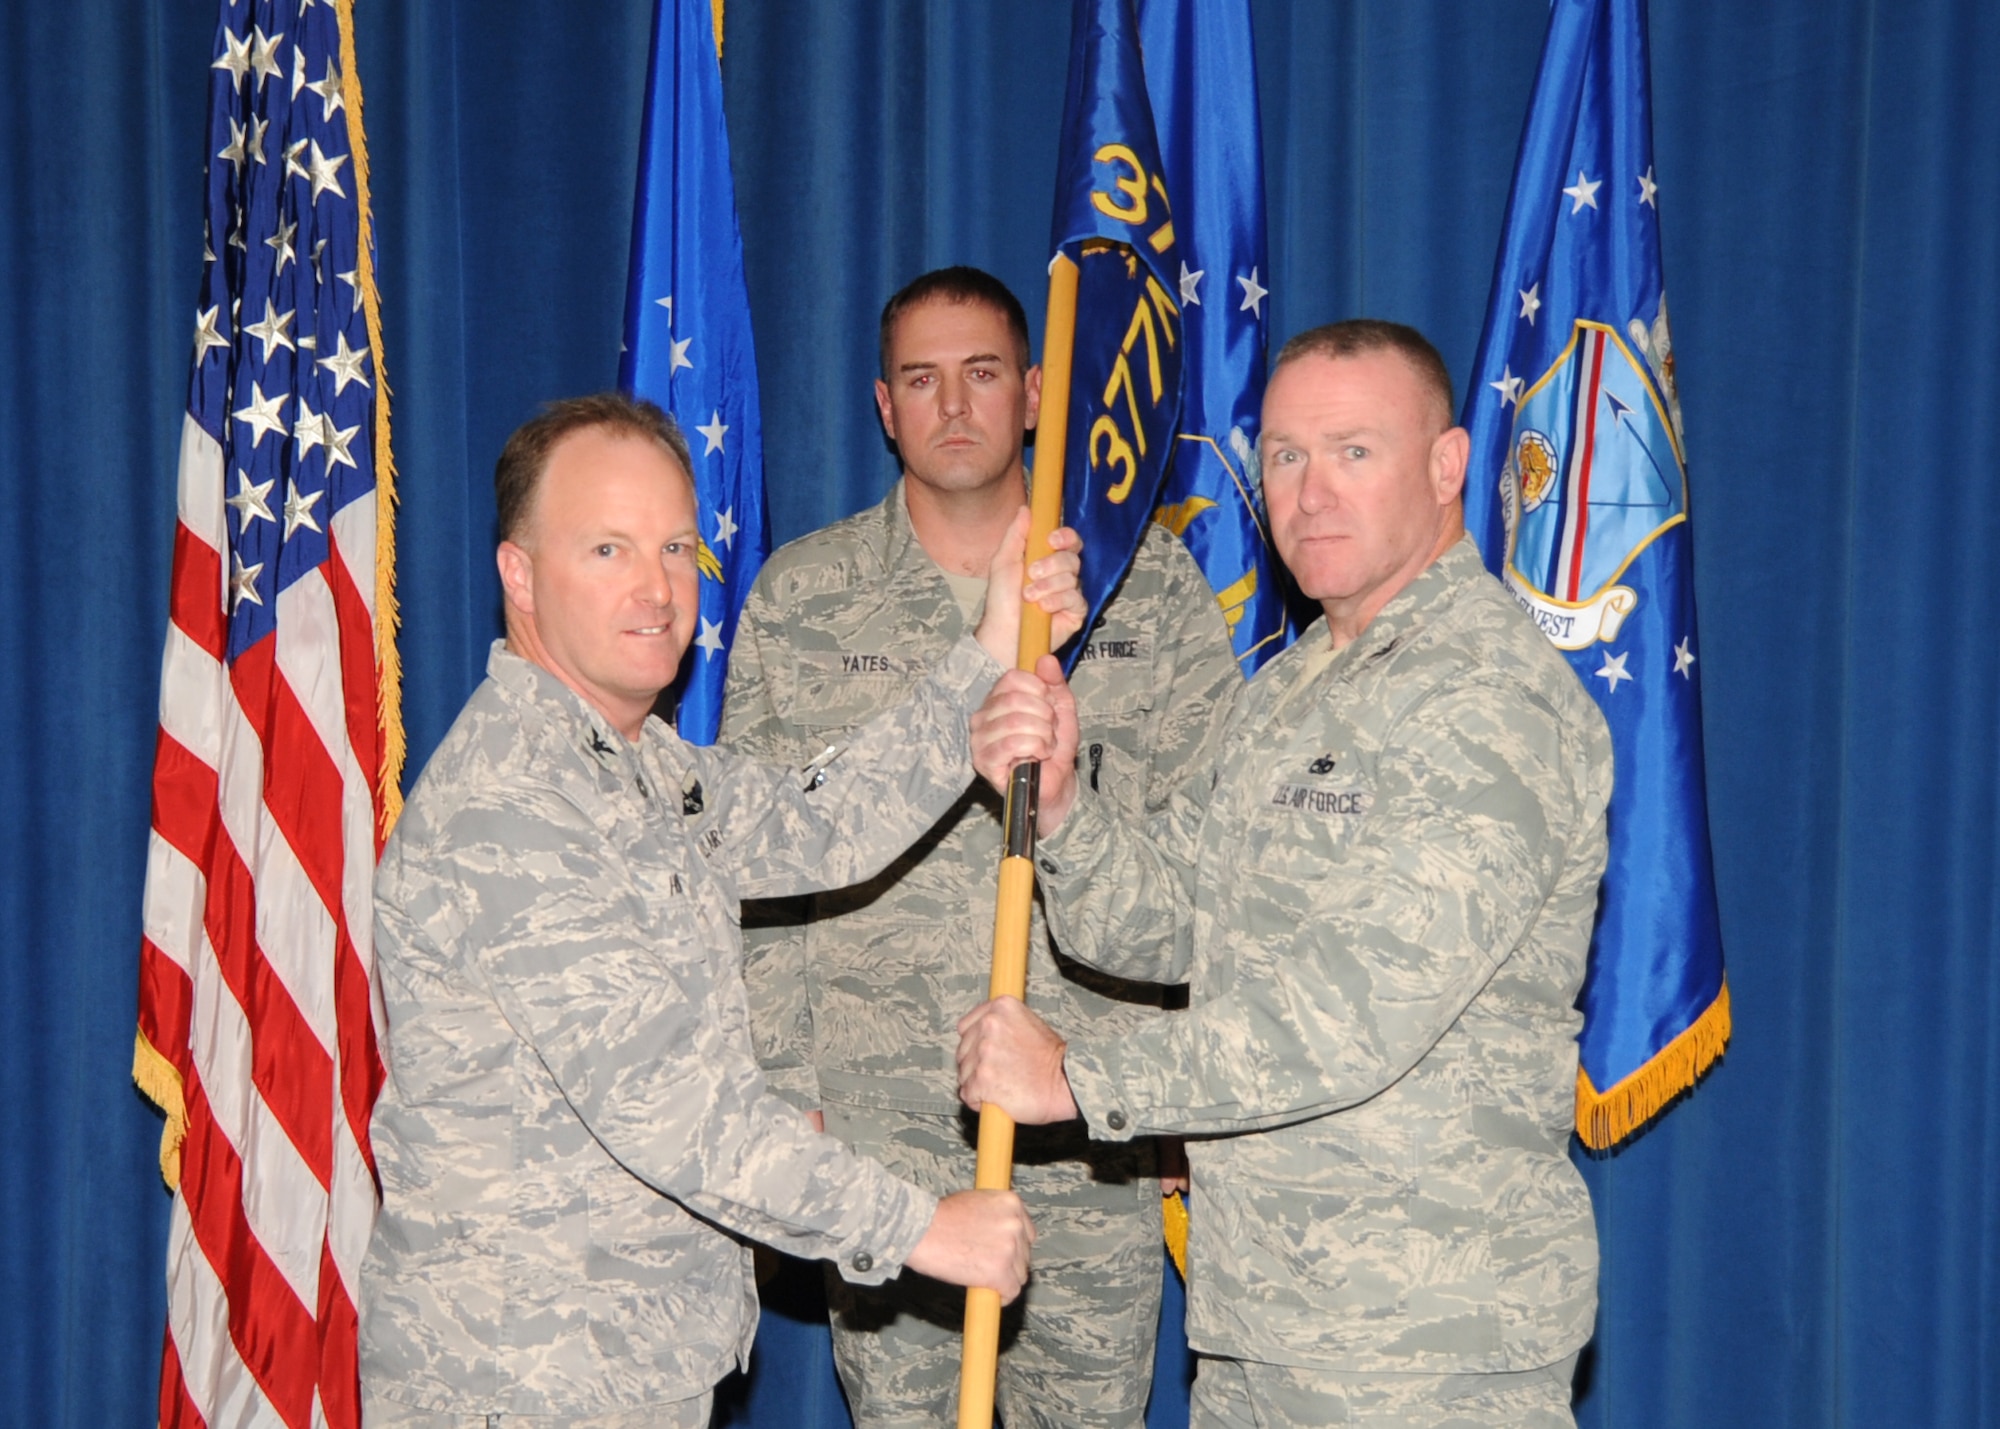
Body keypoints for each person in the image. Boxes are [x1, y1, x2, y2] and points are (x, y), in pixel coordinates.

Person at [360, 392, 1085, 1427]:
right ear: (517, 574)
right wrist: (923, 1227)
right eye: (606, 549)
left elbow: (812, 823)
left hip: (626, 1363)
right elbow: (678, 1114)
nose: (656, 588)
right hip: (517, 1378)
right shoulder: (509, 807)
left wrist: (982, 653)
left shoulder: (636, 764)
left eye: (673, 548)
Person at [959, 320, 1613, 1428]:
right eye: (1282, 457)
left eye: (1352, 451)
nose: (1308, 493)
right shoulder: (1282, 693)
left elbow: (1353, 1013)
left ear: (1447, 466)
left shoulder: (1491, 701)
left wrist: (1077, 1078)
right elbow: (1172, 919)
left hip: (1423, 1345)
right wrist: (1066, 810)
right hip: (1260, 1324)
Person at [720, 267, 1240, 1428]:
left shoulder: (1141, 593)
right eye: (920, 378)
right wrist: (784, 1085)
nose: (952, 405)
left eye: (981, 373)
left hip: (1084, 1126)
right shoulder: (804, 597)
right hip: (880, 1136)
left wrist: (1180, 1093)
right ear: (882, 404)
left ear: (1035, 393)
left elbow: (1212, 860)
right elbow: (754, 877)